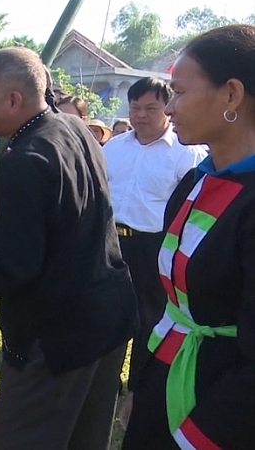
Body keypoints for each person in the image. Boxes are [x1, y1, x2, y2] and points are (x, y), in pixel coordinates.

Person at [0, 47, 138, 449]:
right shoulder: (74, 129)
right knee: (82, 439)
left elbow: (16, 264)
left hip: (56, 334)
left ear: (14, 100)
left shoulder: (25, 160)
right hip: (105, 318)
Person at [122, 24, 255, 449]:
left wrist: (201, 436)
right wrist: (142, 387)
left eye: (178, 92)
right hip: (167, 376)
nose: (170, 107)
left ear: (231, 95)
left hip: (217, 409)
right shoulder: (196, 182)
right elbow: (173, 307)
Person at [102, 77, 207, 390]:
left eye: (151, 107)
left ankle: (140, 384)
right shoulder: (114, 147)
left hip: (156, 245)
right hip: (112, 242)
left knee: (150, 318)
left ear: (168, 108)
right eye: (135, 107)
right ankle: (107, 379)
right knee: (110, 314)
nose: (141, 115)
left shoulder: (185, 154)